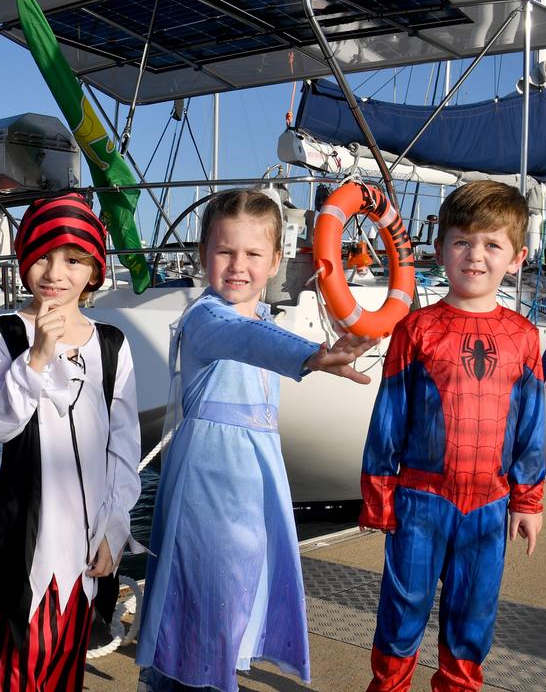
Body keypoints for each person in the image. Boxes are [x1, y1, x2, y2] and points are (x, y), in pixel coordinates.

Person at [135, 189, 377, 692]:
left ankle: (199, 674)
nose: (237, 265)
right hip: (209, 481)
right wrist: (313, 356)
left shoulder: (266, 319)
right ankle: (178, 680)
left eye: (252, 254)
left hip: (253, 480)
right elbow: (244, 341)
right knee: (205, 588)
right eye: (224, 252)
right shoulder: (205, 317)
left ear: (275, 261)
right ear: (203, 255)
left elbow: (259, 334)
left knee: (240, 589)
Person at [360, 180, 545, 691]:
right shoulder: (416, 330)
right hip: (420, 500)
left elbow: (530, 426)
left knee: (472, 618)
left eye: (492, 244)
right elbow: (389, 418)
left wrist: (528, 502)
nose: (475, 256)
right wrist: (378, 495)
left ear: (517, 257)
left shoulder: (524, 337)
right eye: (462, 241)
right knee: (401, 613)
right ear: (440, 248)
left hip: (488, 506)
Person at [0, 193, 143, 692]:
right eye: (42, 255)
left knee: (68, 660)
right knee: (17, 660)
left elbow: (124, 446)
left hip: (87, 541)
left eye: (73, 260)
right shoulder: (6, 332)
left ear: (94, 269)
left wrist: (114, 528)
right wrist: (38, 358)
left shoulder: (111, 343)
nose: (54, 272)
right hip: (27, 533)